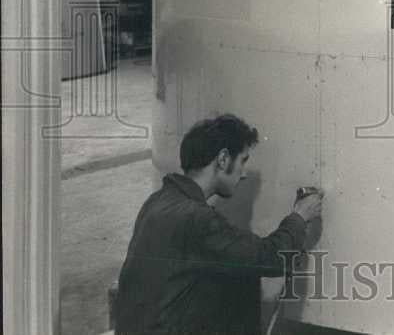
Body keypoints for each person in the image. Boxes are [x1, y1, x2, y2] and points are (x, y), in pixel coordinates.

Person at [115, 114, 324, 334]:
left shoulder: (158, 201)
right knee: (245, 277)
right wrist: (299, 217)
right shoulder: (197, 219)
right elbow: (270, 258)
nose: (243, 174)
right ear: (223, 159)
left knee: (235, 275)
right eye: (243, 161)